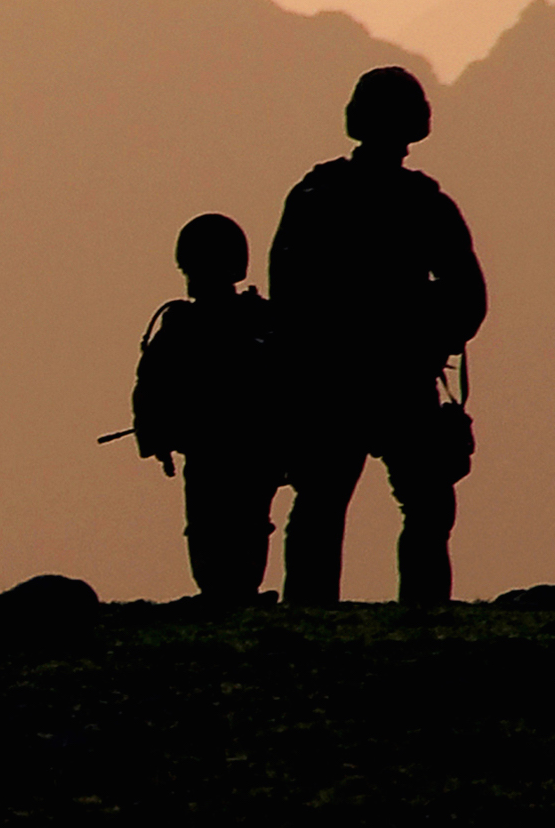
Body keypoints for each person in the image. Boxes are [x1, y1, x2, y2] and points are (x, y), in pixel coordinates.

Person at [269, 66, 485, 605]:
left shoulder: (316, 195)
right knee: (426, 505)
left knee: (321, 502)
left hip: (334, 379)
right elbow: (468, 297)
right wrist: (430, 336)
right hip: (398, 379)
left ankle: (310, 618)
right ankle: (423, 613)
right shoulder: (424, 203)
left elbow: (285, 297)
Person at [127, 213, 280, 603]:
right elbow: (151, 387)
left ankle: (233, 593)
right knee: (217, 527)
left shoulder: (256, 323)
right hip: (221, 449)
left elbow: (287, 382)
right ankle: (224, 593)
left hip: (244, 450)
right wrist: (155, 434)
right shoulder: (192, 326)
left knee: (236, 525)